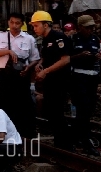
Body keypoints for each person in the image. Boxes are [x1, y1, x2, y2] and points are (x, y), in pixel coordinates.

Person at [0, 12, 40, 140]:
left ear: (22, 24)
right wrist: (8, 51)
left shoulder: (29, 39)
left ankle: (22, 134)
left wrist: (29, 67)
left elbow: (35, 58)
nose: (14, 25)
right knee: (0, 104)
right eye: (12, 22)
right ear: (8, 23)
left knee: (22, 105)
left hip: (21, 76)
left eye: (17, 23)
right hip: (3, 76)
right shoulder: (1, 36)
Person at [31, 10, 73, 150]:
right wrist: (40, 64)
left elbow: (65, 59)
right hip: (50, 81)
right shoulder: (45, 40)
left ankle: (65, 144)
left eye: (37, 25)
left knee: (57, 111)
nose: (34, 28)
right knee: (50, 111)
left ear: (46, 24)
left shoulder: (58, 37)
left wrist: (46, 71)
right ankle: (59, 142)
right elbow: (47, 56)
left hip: (59, 80)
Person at [70, 15, 101, 156]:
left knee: (89, 109)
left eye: (92, 27)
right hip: (78, 77)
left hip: (92, 78)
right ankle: (85, 141)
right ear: (80, 27)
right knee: (82, 108)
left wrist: (97, 57)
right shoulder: (73, 40)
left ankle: (75, 136)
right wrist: (80, 56)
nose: (90, 30)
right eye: (87, 27)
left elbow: (99, 58)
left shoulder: (95, 39)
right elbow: (67, 59)